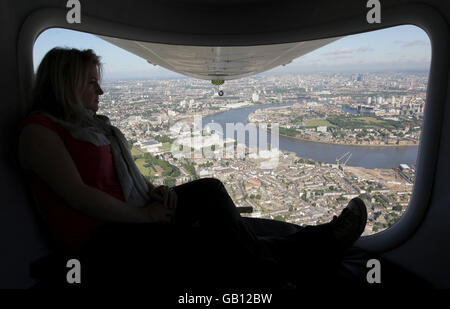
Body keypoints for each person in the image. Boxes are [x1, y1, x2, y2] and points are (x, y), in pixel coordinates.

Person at [16, 47, 367, 289]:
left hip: (125, 218)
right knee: (219, 234)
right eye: (91, 82)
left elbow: (110, 181)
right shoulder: (39, 131)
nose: (101, 90)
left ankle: (316, 243)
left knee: (214, 203)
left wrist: (153, 192)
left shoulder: (89, 127)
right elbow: (79, 196)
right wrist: (144, 216)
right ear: (66, 82)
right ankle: (308, 251)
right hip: (101, 240)